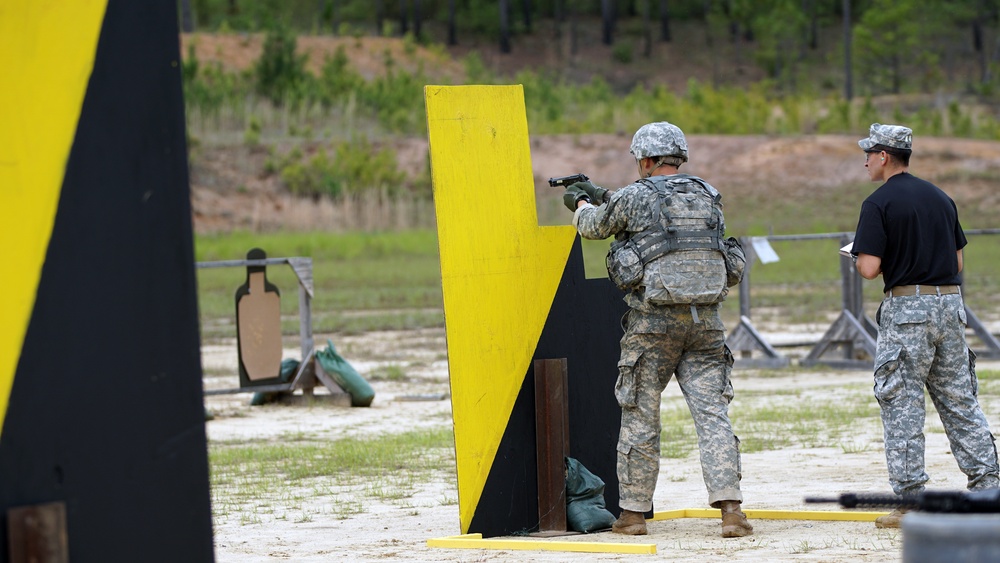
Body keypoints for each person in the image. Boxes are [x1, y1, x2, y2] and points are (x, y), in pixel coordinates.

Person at [562, 121, 752, 538]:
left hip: (653, 324)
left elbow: (595, 226)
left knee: (640, 413)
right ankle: (731, 510)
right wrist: (605, 197)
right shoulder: (707, 195)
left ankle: (631, 514)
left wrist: (579, 202)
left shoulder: (635, 196)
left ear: (645, 160)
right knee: (713, 415)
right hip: (706, 322)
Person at [851, 123, 1000, 529]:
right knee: (960, 400)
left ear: (884, 156)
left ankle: (910, 499)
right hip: (950, 306)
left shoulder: (877, 203)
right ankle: (988, 488)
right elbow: (957, 263)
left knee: (901, 404)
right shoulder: (941, 197)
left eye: (869, 152)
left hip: (907, 310)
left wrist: (858, 252)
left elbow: (869, 269)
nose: (864, 159)